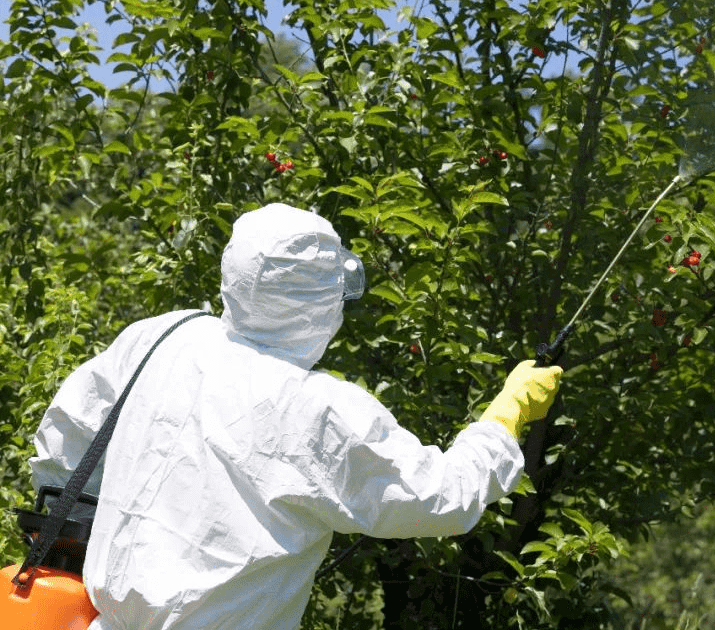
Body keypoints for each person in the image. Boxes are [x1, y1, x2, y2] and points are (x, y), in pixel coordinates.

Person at [28, 202, 562, 630]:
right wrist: (504, 418)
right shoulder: (316, 407)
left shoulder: (165, 335)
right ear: (322, 301)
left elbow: (65, 443)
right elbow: (436, 496)